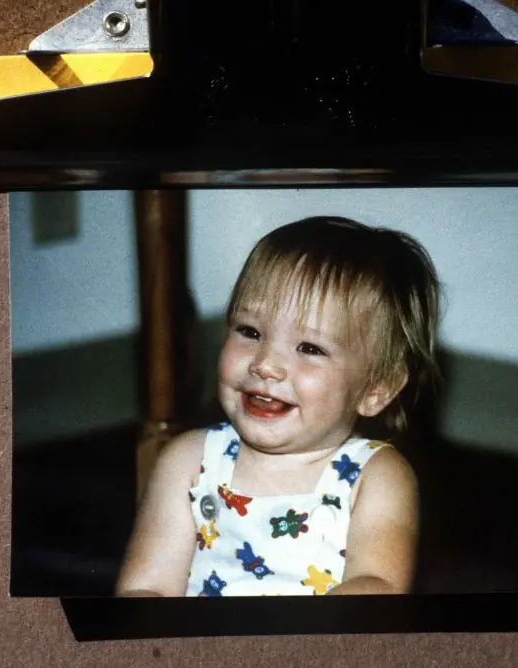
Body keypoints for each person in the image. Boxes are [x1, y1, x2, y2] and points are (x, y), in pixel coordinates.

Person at [116, 216, 440, 597]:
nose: (265, 364)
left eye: (310, 348)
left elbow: (378, 587)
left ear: (376, 389)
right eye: (250, 332)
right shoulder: (189, 462)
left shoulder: (376, 477)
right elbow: (145, 588)